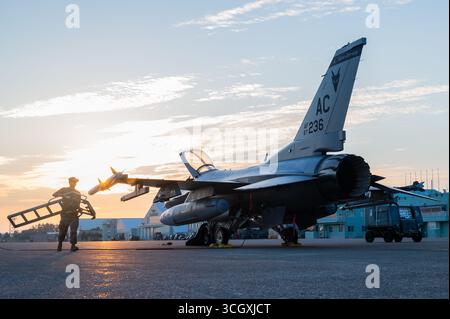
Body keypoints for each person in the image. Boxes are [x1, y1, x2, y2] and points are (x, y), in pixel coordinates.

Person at [53, 177, 81, 252]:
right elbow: (54, 194)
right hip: (65, 212)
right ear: (69, 182)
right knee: (63, 229)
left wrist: (79, 209)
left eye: (75, 182)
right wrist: (63, 195)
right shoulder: (64, 190)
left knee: (73, 230)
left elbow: (78, 203)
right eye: (73, 182)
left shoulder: (77, 192)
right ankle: (60, 245)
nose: (74, 183)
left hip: (74, 213)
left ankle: (73, 245)